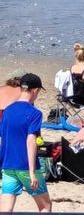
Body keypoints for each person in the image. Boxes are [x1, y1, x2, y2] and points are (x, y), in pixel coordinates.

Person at [0, 74, 50, 214]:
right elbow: (30, 141)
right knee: (45, 206)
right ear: (35, 90)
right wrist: (32, 172)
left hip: (8, 165)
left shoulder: (7, 110)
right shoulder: (34, 113)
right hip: (26, 166)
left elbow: (3, 136)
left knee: (5, 209)